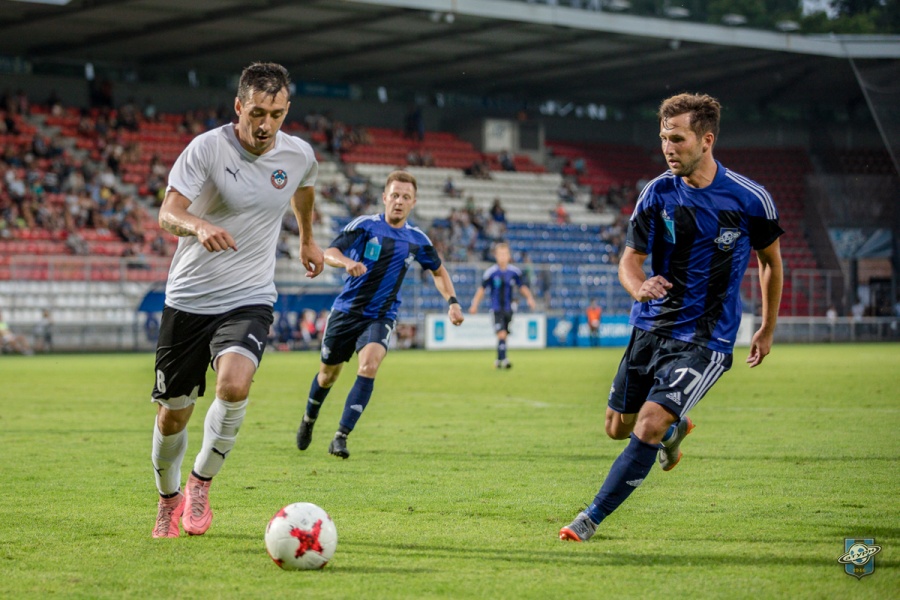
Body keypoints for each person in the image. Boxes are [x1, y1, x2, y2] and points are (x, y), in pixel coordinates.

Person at [559, 93, 783, 542]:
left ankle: (590, 518)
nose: (667, 148)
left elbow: (770, 263)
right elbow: (629, 260)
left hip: (706, 339)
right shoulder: (657, 192)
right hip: (650, 327)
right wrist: (638, 286)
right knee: (616, 428)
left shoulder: (750, 198)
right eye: (663, 138)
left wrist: (767, 326)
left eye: (677, 139)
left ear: (706, 140)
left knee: (648, 423)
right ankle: (676, 429)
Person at [149, 62, 325, 539]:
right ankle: (168, 497)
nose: (266, 125)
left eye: (277, 115)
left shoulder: (298, 154)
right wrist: (198, 225)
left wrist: (308, 239)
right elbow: (168, 212)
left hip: (249, 295)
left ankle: (201, 482)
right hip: (189, 297)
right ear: (238, 107)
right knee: (173, 413)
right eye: (257, 113)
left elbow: (304, 187)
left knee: (234, 385)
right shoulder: (207, 148)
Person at [296, 171, 464, 459]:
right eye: (395, 195)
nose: (399, 201)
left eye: (406, 197)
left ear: (413, 203)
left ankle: (340, 437)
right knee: (327, 376)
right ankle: (309, 419)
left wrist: (453, 302)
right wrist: (347, 263)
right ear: (385, 197)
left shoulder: (417, 240)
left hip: (381, 315)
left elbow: (438, 271)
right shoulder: (365, 226)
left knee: (369, 365)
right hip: (346, 312)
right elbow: (330, 252)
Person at [468, 242, 537, 369]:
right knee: (501, 333)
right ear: (496, 256)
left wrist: (530, 298)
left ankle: (498, 360)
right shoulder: (491, 273)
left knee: (504, 334)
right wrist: (474, 304)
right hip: (496, 309)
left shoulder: (514, 272)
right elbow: (481, 289)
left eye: (505, 254)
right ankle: (504, 360)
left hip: (509, 309)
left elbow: (522, 287)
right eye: (500, 254)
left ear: (509, 256)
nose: (503, 257)